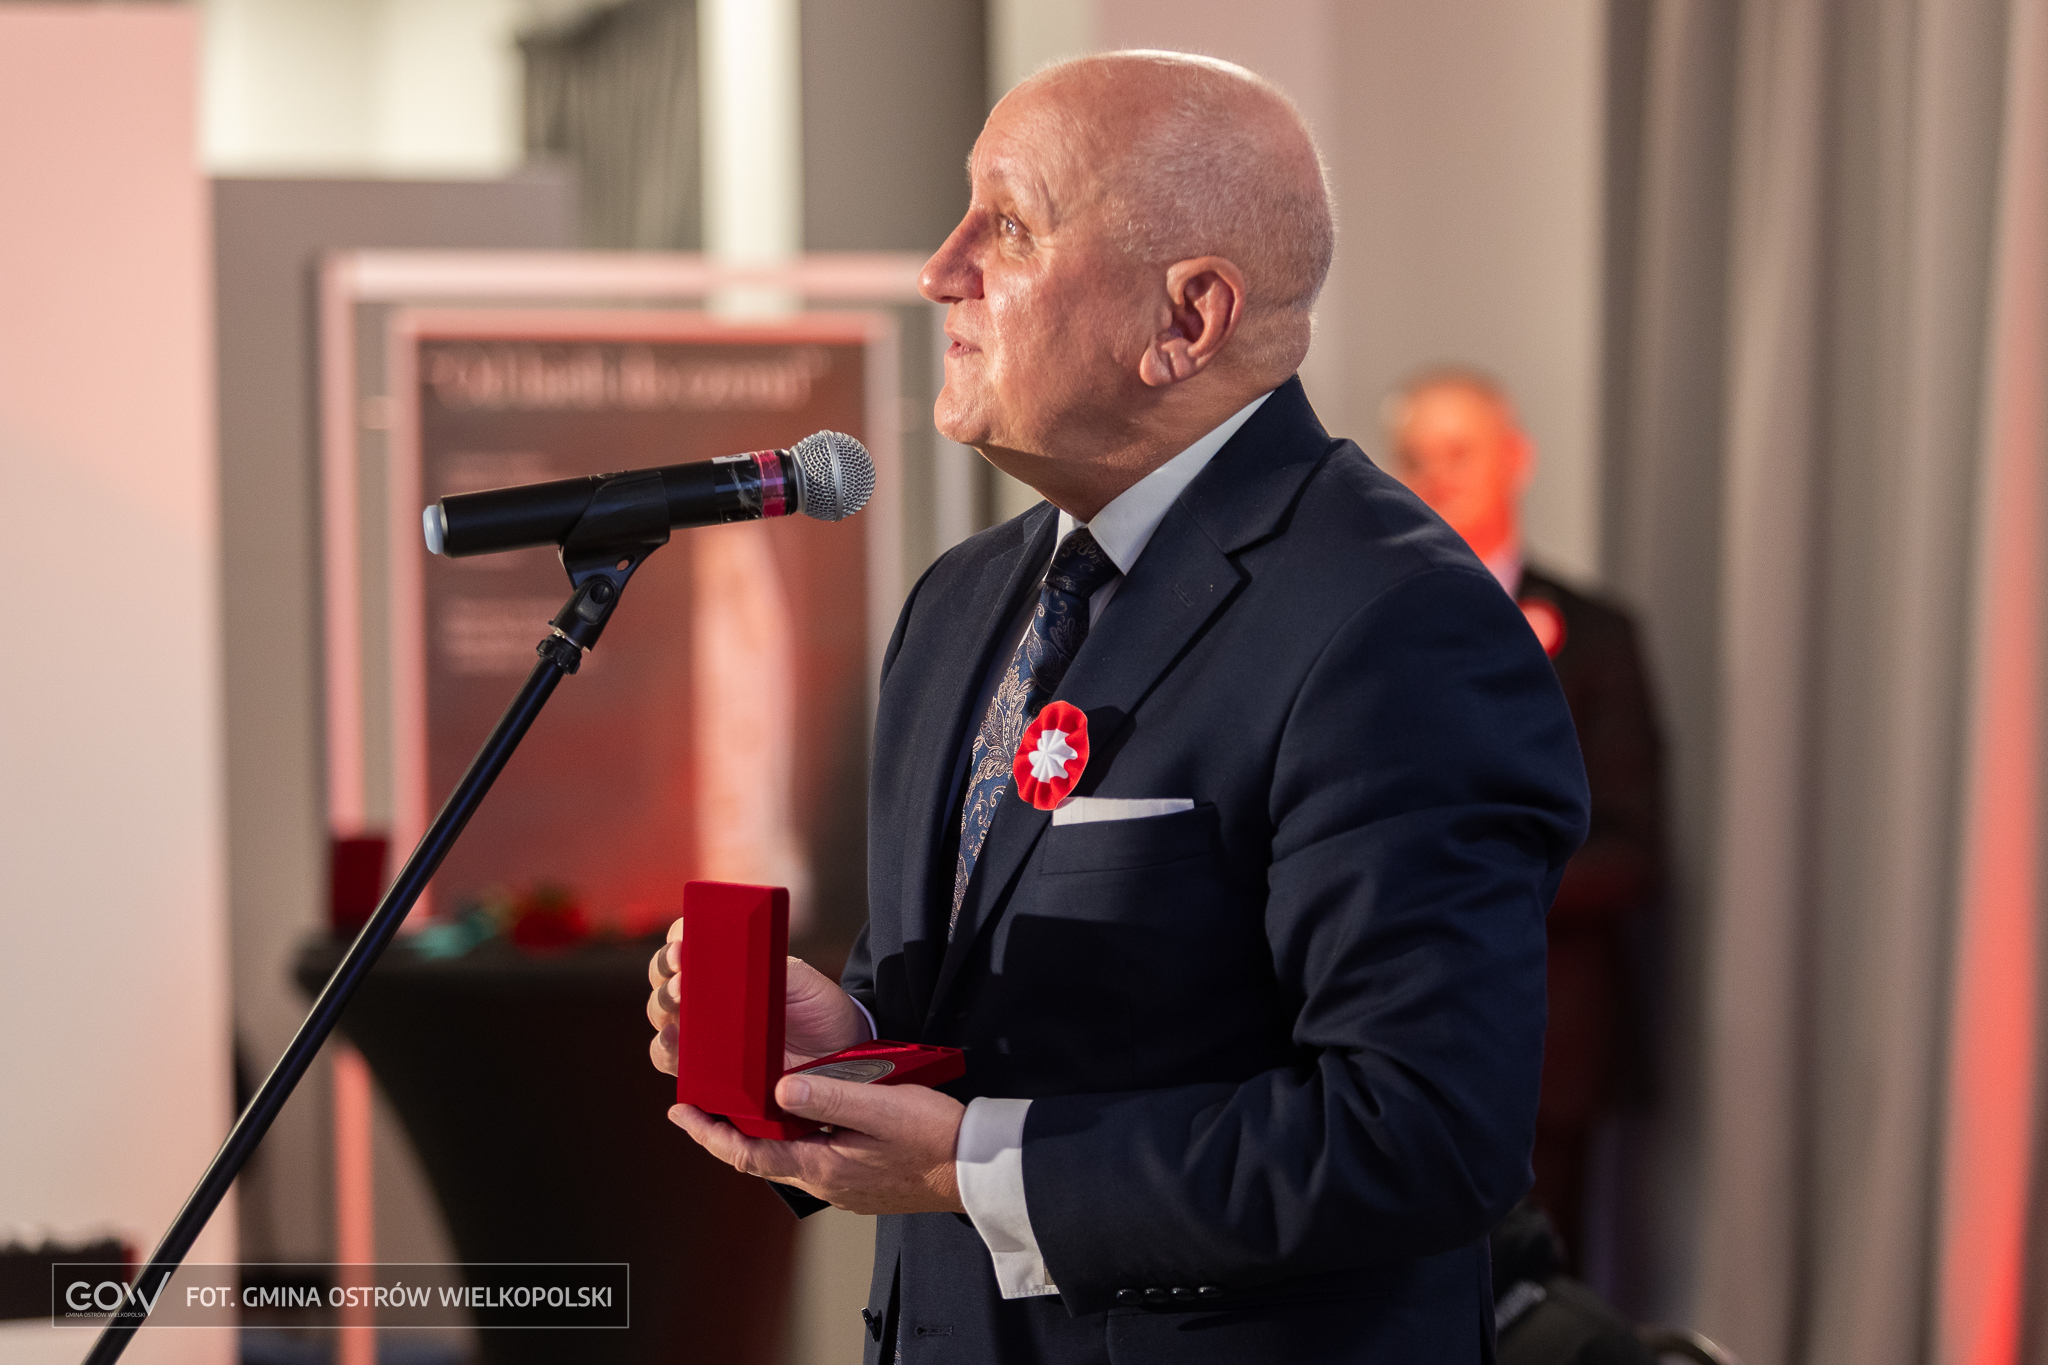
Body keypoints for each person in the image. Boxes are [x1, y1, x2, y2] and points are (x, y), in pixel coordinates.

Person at [648, 52, 1589, 1363]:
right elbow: (988, 1009)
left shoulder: (1395, 624)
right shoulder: (960, 601)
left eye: (1008, 226)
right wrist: (849, 1042)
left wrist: (973, 1165)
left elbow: (1416, 1134)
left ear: (1187, 318)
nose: (940, 270)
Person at [1385, 370, 1666, 1268]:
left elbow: (1630, 849)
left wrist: (1466, 882)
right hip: (1387, 1029)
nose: (1438, 477)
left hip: (1547, 1034)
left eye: (1459, 452)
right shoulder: (1365, 627)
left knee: (1534, 1293)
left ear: (1516, 459)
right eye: (1417, 458)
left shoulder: (1595, 636)